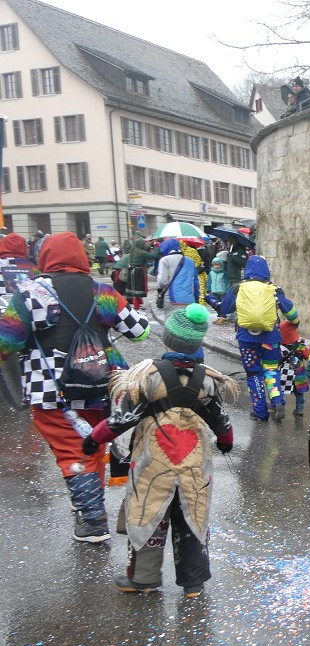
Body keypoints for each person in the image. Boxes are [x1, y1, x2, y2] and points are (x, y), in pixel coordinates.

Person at [0, 231, 150, 542]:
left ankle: (93, 520)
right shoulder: (102, 292)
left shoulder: (31, 294)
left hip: (53, 389)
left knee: (72, 449)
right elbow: (139, 332)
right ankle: (87, 503)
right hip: (101, 385)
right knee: (93, 443)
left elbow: (7, 341)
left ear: (46, 258)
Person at [82, 304, 237, 596]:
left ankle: (143, 577)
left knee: (148, 512)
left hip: (154, 459)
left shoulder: (148, 377)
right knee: (192, 513)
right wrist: (225, 440)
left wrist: (95, 437)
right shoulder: (207, 379)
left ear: (168, 341)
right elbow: (221, 420)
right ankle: (193, 581)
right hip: (194, 461)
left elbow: (122, 419)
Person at [216, 255, 300, 421]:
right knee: (271, 370)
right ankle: (277, 401)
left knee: (254, 374)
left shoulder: (238, 288)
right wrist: (295, 321)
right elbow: (289, 310)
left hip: (247, 340)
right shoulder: (274, 288)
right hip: (270, 339)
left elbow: (225, 309)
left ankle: (260, 411)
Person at [154, 238, 199, 309]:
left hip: (171, 299)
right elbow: (196, 282)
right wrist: (196, 297)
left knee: (172, 319)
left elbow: (162, 282)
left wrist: (159, 289)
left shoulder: (165, 260)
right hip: (189, 299)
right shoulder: (190, 261)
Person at [278, 319, 310, 416]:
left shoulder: (280, 347)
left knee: (280, 389)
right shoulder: (299, 344)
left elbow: (277, 360)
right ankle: (299, 409)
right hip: (298, 370)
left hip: (285, 372)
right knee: (299, 391)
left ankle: (279, 406)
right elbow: (307, 355)